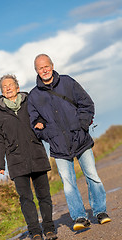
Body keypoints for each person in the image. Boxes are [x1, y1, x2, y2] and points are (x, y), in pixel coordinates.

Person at [27, 54, 111, 231]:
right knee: (68, 184)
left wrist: (82, 125)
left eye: (46, 66)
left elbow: (87, 104)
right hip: (58, 146)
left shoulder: (67, 82)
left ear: (52, 65)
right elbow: (34, 122)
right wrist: (47, 134)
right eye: (40, 68)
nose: (45, 70)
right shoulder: (34, 96)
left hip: (80, 139)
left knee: (92, 176)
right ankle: (79, 216)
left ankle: (100, 211)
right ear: (36, 70)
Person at [0, 74, 57, 240]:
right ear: (2, 91)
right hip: (16, 160)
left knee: (44, 196)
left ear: (17, 87)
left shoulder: (30, 102)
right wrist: (0, 164)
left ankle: (49, 228)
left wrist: (42, 123)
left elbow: (43, 115)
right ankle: (35, 232)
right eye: (4, 86)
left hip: (36, 154)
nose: (8, 88)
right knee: (26, 199)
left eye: (10, 85)